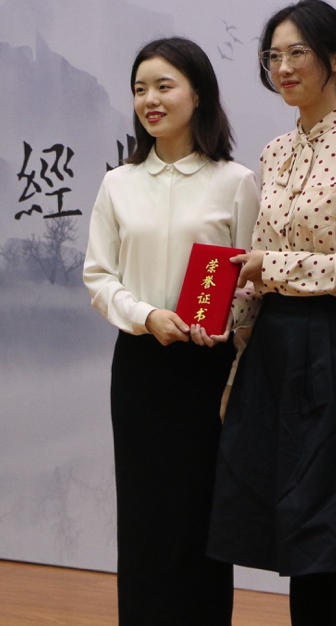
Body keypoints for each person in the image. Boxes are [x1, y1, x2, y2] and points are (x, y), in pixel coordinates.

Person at [208, 0, 336, 626]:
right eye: (273, 56)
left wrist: (271, 266)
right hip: (274, 350)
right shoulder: (274, 152)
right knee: (296, 525)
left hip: (334, 346)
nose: (283, 67)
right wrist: (233, 353)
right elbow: (252, 267)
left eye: (297, 54)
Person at [83, 36, 259, 626]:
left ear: (198, 93)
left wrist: (226, 326)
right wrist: (145, 316)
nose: (150, 101)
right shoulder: (119, 183)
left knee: (200, 517)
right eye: (140, 90)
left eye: (164, 86)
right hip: (140, 364)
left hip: (207, 370)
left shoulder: (235, 181)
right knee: (144, 517)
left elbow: (251, 283)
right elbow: (98, 277)